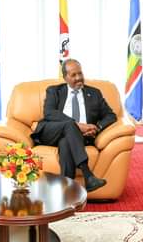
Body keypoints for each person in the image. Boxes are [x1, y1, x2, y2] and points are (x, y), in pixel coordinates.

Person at [31, 59, 115, 192]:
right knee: (70, 125)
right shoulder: (54, 91)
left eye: (80, 73)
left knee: (65, 143)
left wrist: (97, 128)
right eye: (73, 75)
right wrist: (77, 125)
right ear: (65, 77)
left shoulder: (94, 93)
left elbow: (110, 115)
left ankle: (66, 190)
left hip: (78, 138)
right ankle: (87, 174)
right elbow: (49, 113)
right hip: (52, 132)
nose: (78, 78)